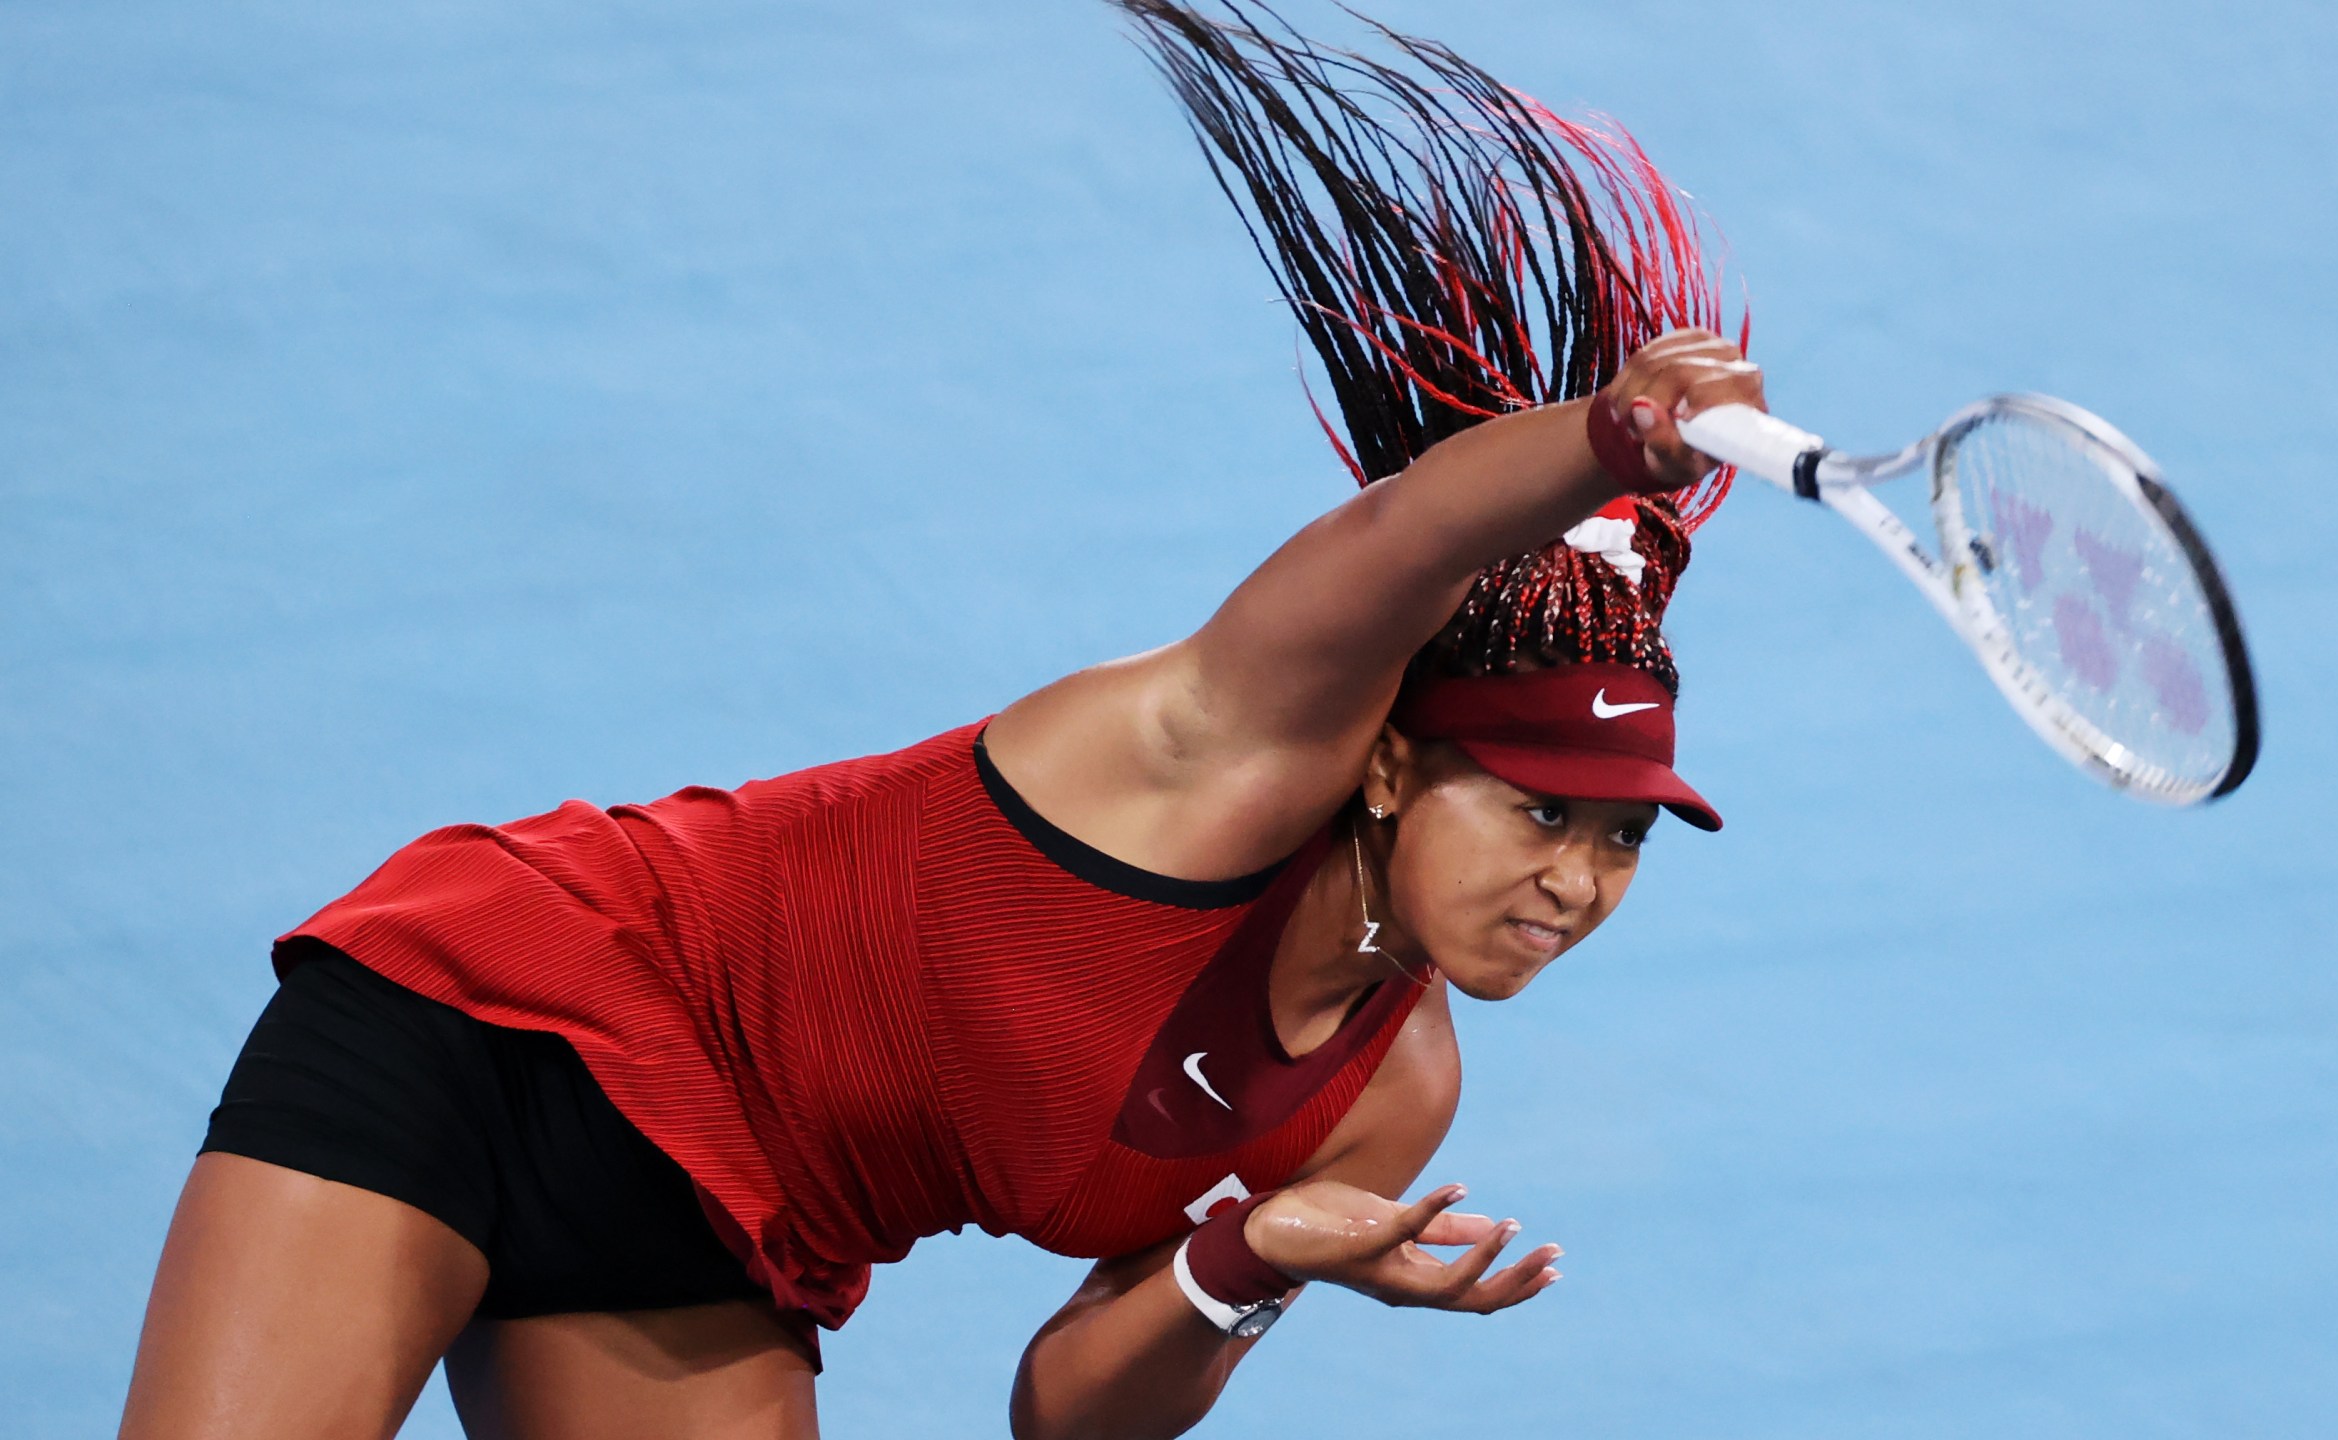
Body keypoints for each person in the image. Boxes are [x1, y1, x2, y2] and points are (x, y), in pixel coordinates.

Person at [117, 4, 1768, 1437]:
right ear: (1395, 758)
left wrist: (1249, 1260)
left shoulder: (1390, 1090)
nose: (1577, 880)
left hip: (724, 1230)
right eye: (1542, 810)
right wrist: (1610, 444)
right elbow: (1403, 537)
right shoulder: (1225, 753)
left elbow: (1065, 1416)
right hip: (496, 1023)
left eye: (1623, 837)